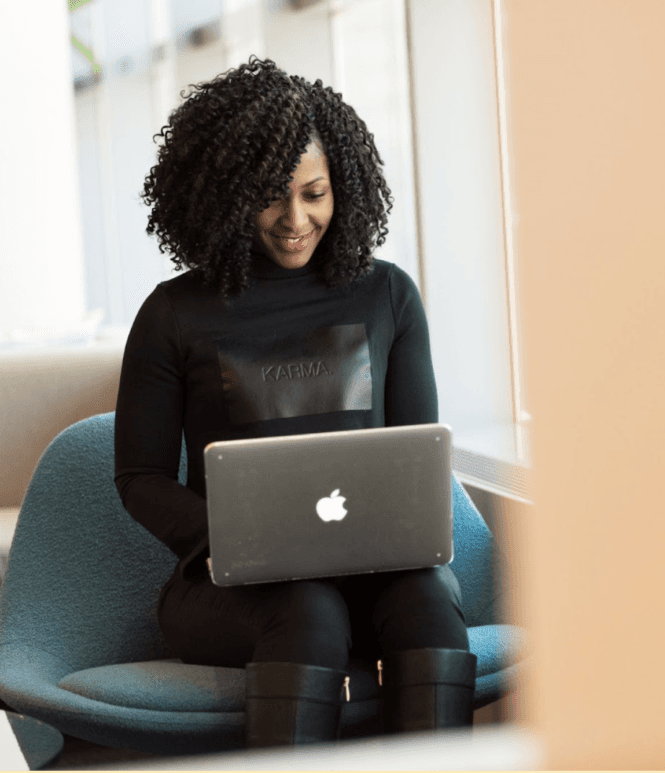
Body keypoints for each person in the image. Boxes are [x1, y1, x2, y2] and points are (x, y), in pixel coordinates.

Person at [114, 57, 476, 748]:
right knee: (308, 607)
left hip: (377, 574)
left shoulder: (388, 296)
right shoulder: (172, 314)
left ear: (345, 186)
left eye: (315, 193)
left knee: (428, 603)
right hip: (234, 588)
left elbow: (415, 457)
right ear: (224, 194)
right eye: (270, 196)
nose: (294, 219)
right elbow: (140, 479)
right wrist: (243, 539)